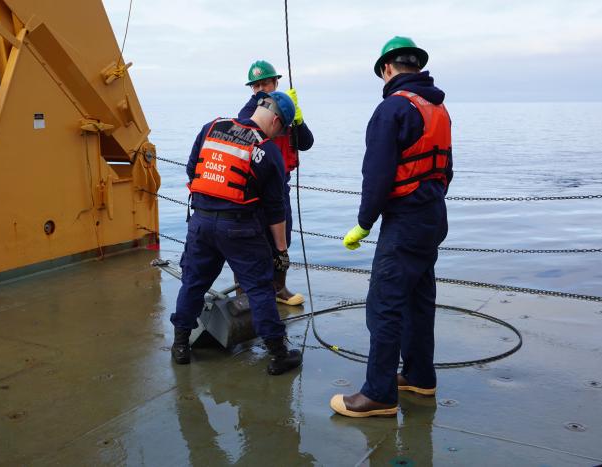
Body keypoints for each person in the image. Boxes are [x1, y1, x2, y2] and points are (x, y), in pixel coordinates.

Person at [330, 36, 453, 417]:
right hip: (433, 216)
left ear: (387, 69)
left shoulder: (392, 109)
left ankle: (379, 394)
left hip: (404, 222)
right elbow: (446, 168)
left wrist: (364, 223)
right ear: (417, 66)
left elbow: (377, 174)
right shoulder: (438, 108)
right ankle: (419, 376)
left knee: (384, 305)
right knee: (419, 300)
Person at [170, 91, 303, 376]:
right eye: (281, 130)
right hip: (240, 228)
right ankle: (279, 354)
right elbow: (275, 209)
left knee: (193, 282)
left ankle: (180, 345)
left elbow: (193, 170)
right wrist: (280, 251)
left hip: (201, 223)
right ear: (277, 121)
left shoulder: (211, 128)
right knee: (259, 288)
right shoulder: (267, 152)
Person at [238, 60, 314, 306]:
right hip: (257, 186)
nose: (261, 89)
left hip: (281, 185)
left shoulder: (286, 111)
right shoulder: (250, 111)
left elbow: (306, 143)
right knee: (252, 240)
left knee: (283, 237)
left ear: (276, 82)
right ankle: (245, 291)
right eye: (256, 85)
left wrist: (298, 119)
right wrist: (264, 102)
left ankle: (278, 287)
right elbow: (245, 122)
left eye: (266, 83)